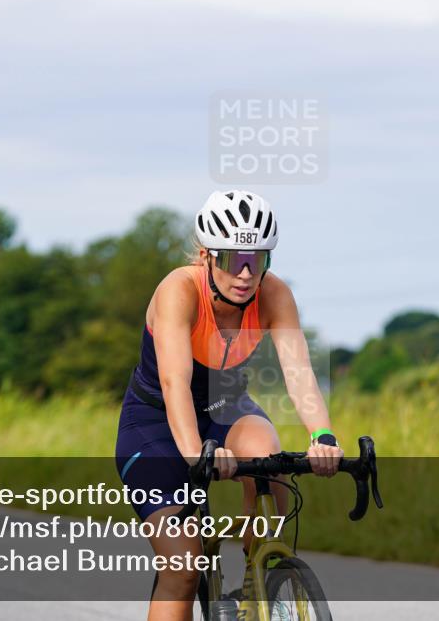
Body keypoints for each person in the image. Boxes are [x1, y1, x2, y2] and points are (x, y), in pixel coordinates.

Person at [114, 189, 343, 621]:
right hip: (156, 423)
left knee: (270, 460)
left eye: (255, 260)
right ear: (205, 256)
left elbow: (298, 373)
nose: (243, 274)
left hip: (226, 406)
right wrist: (195, 451)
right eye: (231, 259)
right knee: (182, 568)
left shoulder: (274, 295)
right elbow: (174, 382)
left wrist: (323, 436)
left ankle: (263, 580)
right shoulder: (179, 290)